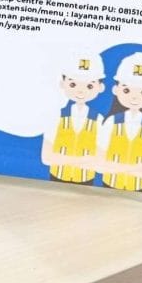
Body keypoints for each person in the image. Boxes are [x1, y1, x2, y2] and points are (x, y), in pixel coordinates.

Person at [97, 52, 142, 191]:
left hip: (140, 192)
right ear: (116, 90)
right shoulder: (110, 122)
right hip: (105, 189)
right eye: (127, 90)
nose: (134, 97)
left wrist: (115, 167)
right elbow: (99, 164)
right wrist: (138, 168)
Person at [41, 51, 106, 184]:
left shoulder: (99, 120)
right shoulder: (56, 116)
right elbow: (46, 157)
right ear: (62, 83)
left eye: (89, 86)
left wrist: (63, 159)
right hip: (55, 180)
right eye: (73, 84)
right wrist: (85, 160)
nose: (80, 91)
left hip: (87, 182)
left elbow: (100, 163)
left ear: (100, 87)